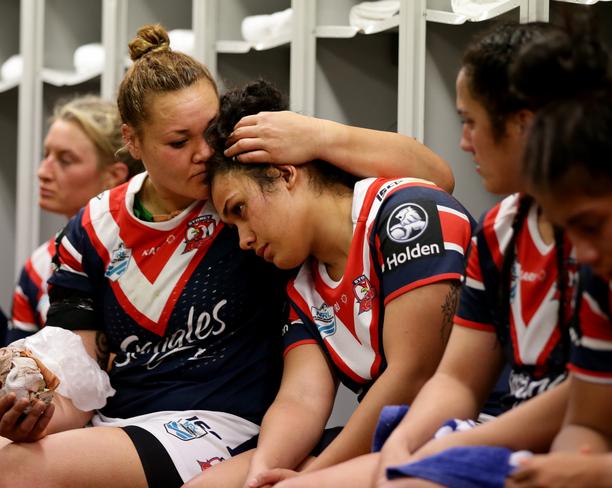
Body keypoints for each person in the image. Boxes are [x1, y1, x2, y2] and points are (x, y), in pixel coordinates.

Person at [0, 24, 454, 488]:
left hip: (219, 422)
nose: (204, 154)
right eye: (178, 142)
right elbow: (79, 376)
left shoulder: (257, 185)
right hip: (119, 420)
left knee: (17, 468)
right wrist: (39, 415)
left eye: (210, 131)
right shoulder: (92, 228)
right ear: (133, 142)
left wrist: (316, 133)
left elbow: (435, 179)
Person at [266, 21, 584, 488]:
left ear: (523, 123)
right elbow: (456, 380)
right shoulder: (498, 230)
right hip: (489, 435)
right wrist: (400, 447)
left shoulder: (608, 226)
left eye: (470, 122)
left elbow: (599, 394)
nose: (463, 142)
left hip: (548, 443)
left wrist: (434, 449)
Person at [183, 78, 474, 488]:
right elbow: (299, 400)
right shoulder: (302, 284)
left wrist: (312, 477)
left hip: (471, 425)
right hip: (388, 437)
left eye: (241, 210)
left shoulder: (406, 212)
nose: (244, 240)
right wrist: (261, 473)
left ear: (285, 174)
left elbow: (413, 373)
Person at [504, 20, 612, 488]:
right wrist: (561, 472)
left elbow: (605, 465)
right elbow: (596, 425)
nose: (582, 254)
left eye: (592, 225)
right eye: (569, 232)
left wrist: (604, 472)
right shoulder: (608, 284)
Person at [5, 95, 144, 345]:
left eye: (65, 160)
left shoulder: (152, 249)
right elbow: (18, 373)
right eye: (45, 155)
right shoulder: (37, 266)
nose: (42, 172)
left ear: (114, 176)